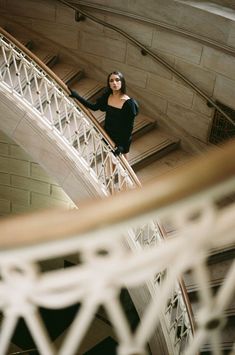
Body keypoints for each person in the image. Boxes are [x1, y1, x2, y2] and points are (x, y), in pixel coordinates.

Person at [68, 71, 139, 161]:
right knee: (109, 160)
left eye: (117, 80)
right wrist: (77, 96)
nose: (114, 83)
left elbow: (129, 127)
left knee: (123, 165)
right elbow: (94, 107)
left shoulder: (129, 103)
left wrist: (121, 146)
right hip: (108, 133)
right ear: (109, 84)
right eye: (111, 81)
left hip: (121, 139)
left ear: (122, 82)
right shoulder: (107, 96)